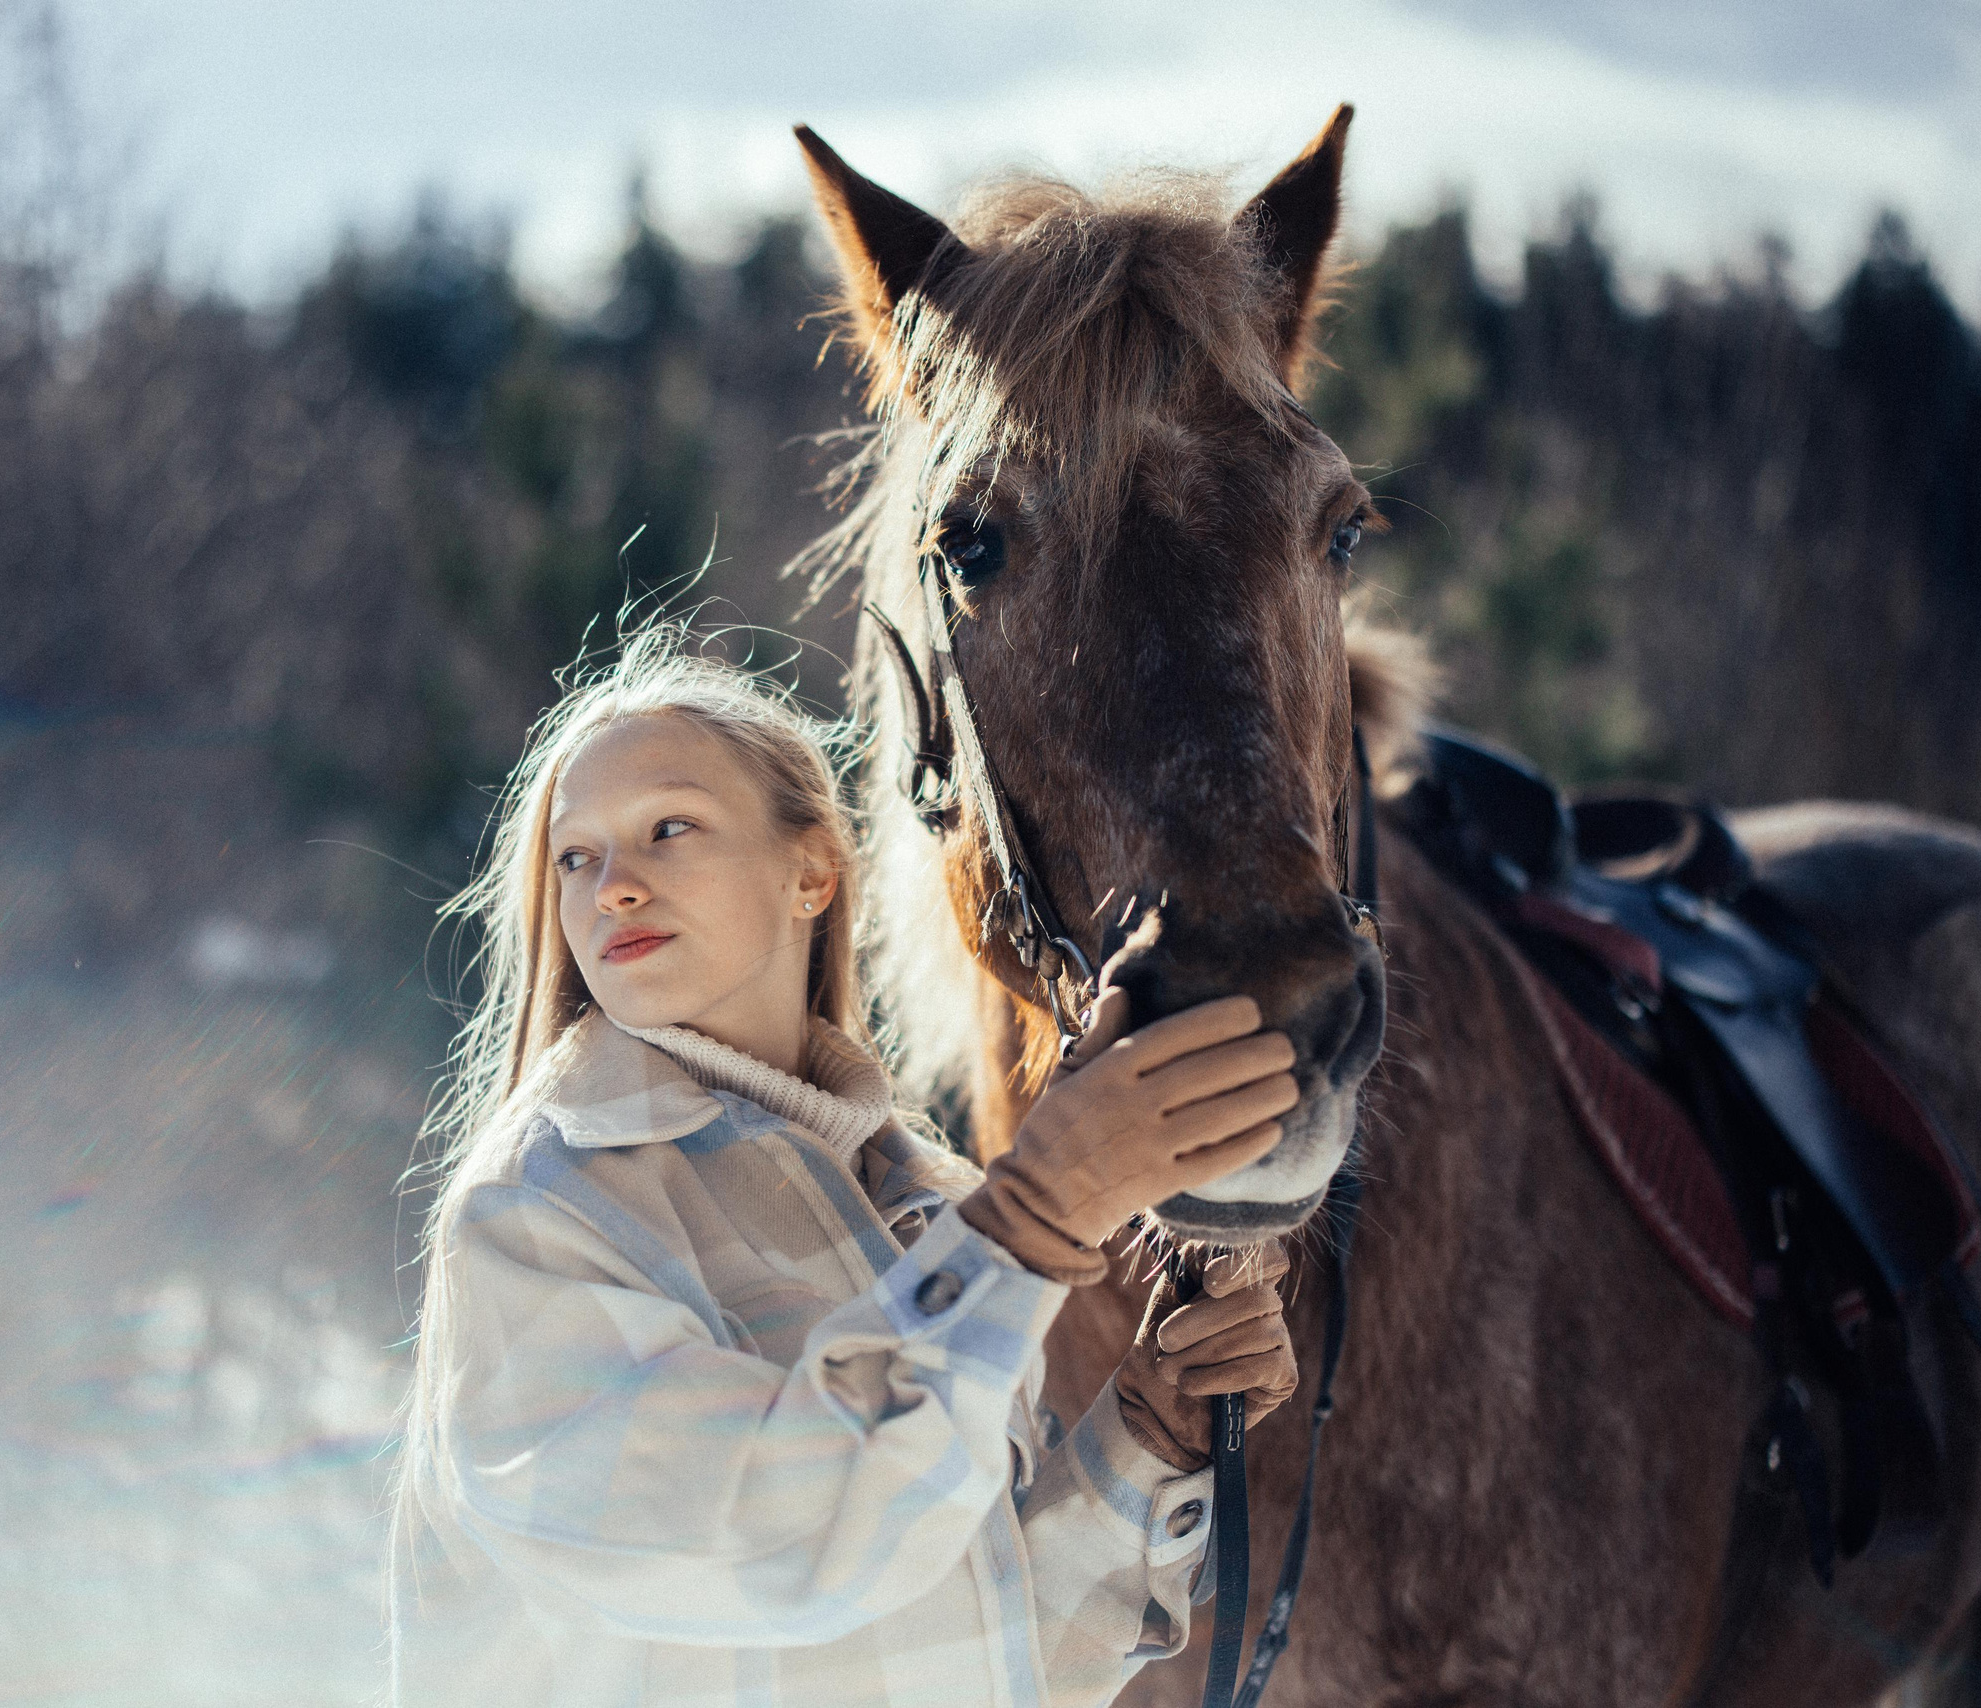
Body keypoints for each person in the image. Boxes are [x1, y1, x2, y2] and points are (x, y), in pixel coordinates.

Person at [385, 624, 1305, 1708]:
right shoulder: (539, 1211)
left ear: (812, 872)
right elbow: (778, 1546)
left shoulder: (930, 1210)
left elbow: (982, 1668)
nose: (612, 887)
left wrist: (1152, 1432)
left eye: (668, 829)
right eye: (575, 856)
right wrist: (1037, 1214)